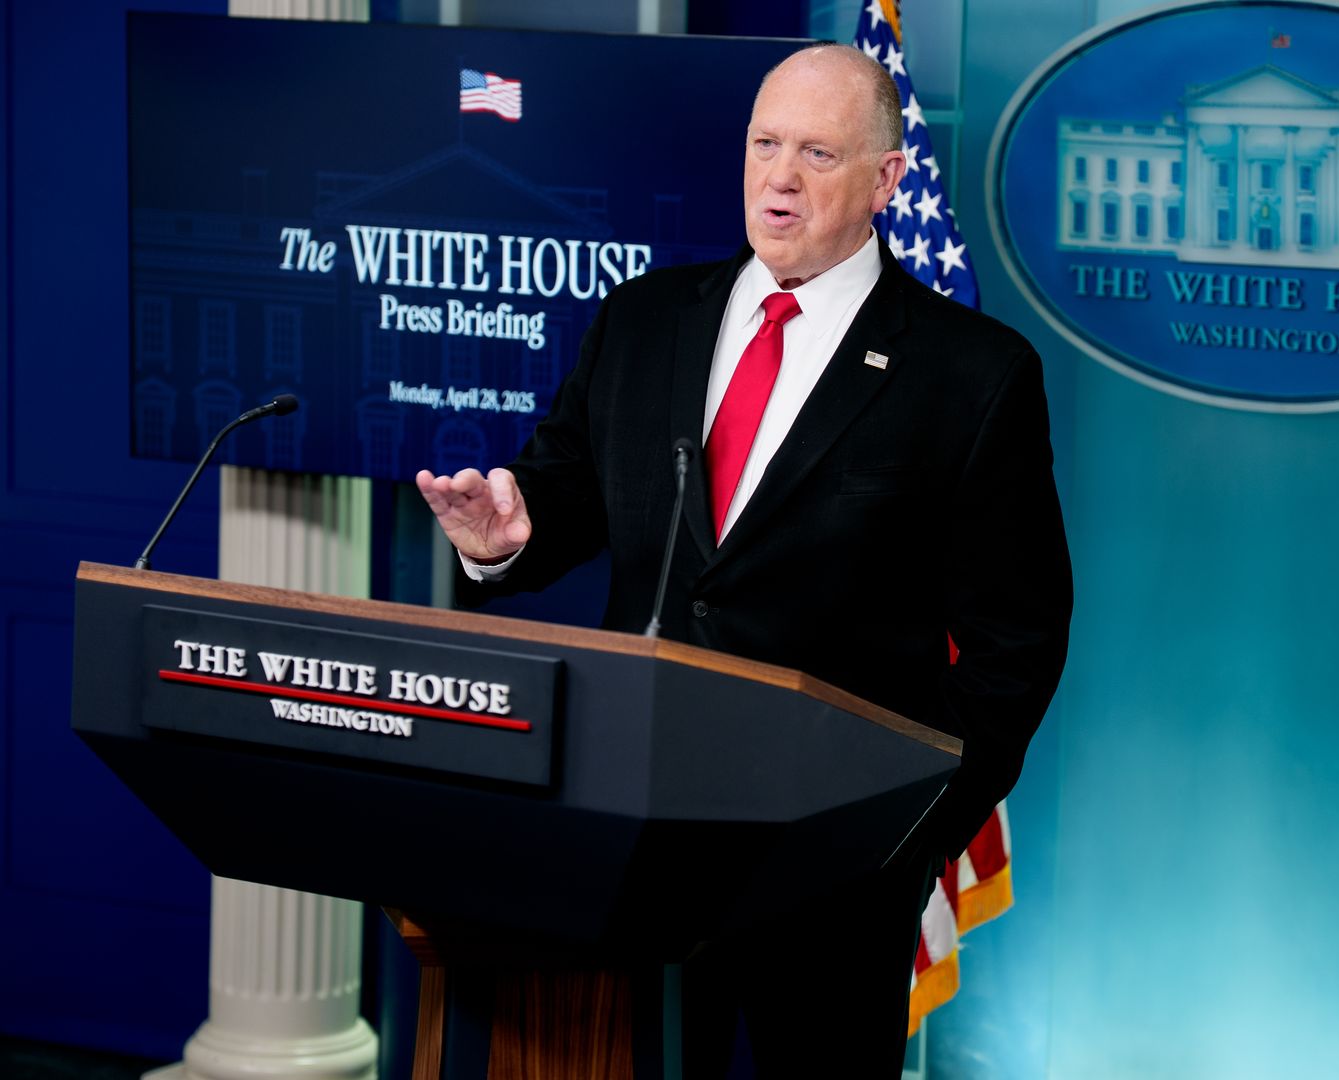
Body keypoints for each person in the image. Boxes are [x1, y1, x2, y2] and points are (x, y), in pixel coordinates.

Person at [415, 44, 1072, 1076]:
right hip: (628, 831)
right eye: (766, 144)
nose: (780, 176)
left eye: (817, 151)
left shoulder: (972, 374)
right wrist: (506, 535)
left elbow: (1015, 640)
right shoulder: (644, 320)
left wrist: (907, 834)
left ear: (887, 181)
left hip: (830, 864)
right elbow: (569, 491)